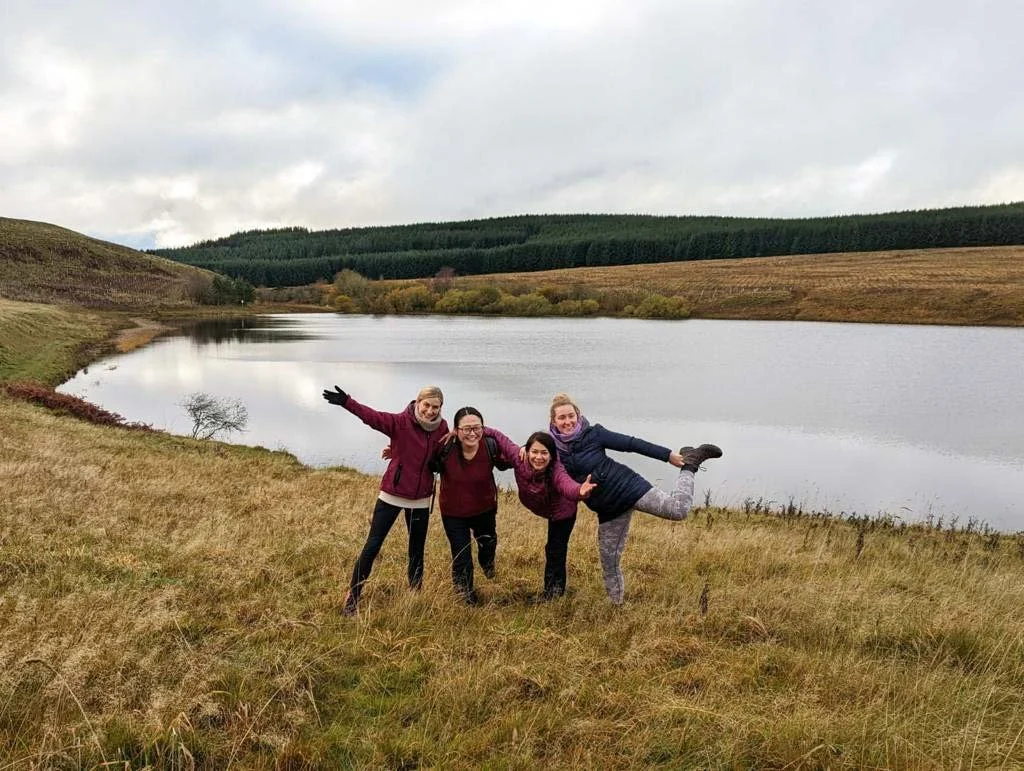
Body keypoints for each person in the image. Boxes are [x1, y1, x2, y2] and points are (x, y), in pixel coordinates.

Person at [547, 393, 722, 605]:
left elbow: (632, 443)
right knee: (609, 559)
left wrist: (668, 456)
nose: (568, 422)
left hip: (629, 487)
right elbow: (534, 454)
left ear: (578, 415)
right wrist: (522, 450)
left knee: (678, 510)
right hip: (608, 509)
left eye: (571, 416)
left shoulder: (593, 434)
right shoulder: (553, 449)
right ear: (553, 421)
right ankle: (616, 606)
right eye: (562, 418)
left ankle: (691, 462)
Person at [322, 384, 448, 616]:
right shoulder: (400, 422)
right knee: (372, 546)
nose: (431, 411)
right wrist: (347, 402)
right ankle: (352, 598)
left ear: (441, 408)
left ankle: (415, 595)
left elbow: (443, 451)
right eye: (427, 405)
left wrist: (438, 462)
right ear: (417, 403)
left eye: (436, 407)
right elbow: (372, 417)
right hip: (392, 493)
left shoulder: (442, 429)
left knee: (416, 550)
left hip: (420, 498)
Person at [486, 430, 596, 599]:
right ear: (527, 451)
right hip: (544, 508)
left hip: (562, 512)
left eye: (544, 453)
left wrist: (580, 491)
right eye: (535, 452)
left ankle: (553, 593)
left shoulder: (556, 470)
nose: (539, 457)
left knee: (555, 550)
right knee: (553, 549)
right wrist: (470, 428)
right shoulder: (518, 457)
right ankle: (554, 591)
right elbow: (498, 436)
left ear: (552, 456)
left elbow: (567, 485)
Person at [431, 406, 514, 605]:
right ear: (456, 430)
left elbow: (513, 459)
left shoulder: (491, 445)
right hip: (453, 513)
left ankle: (487, 564)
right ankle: (466, 596)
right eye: (466, 429)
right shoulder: (445, 447)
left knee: (487, 543)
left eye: (477, 428)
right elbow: (422, 458)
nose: (472, 433)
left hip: (484, 509)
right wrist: (397, 451)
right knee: (461, 554)